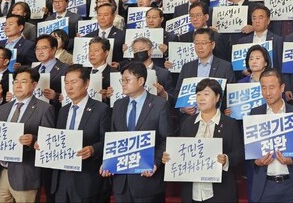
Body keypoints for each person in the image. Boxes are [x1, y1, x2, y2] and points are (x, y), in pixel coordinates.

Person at [0, 67, 56, 202]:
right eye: (16, 81)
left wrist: (33, 140)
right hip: (0, 173)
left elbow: (48, 142)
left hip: (25, 175)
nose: (18, 85)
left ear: (34, 85)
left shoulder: (45, 109)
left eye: (23, 82)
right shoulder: (2, 109)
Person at [162, 78, 244, 203]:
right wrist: (170, 157)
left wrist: (226, 159)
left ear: (217, 97)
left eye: (206, 94)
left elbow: (239, 154)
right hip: (192, 191)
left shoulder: (230, 124)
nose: (201, 98)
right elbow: (180, 151)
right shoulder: (187, 123)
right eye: (198, 94)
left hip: (220, 191)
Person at [43, 64, 111, 203]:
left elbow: (108, 142)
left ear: (86, 84)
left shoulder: (101, 109)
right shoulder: (63, 111)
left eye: (74, 82)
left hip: (86, 179)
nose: (69, 87)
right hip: (61, 179)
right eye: (66, 83)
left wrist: (93, 149)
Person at [105, 62, 171, 203]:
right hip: (121, 181)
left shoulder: (159, 105)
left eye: (127, 80)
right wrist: (108, 162)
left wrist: (155, 162)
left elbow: (167, 139)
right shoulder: (118, 105)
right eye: (122, 80)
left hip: (148, 180)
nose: (123, 83)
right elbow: (113, 136)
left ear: (141, 81)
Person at [248, 69, 293, 203]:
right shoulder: (255, 114)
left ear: (282, 88)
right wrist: (256, 161)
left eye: (272, 87)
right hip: (265, 185)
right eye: (263, 88)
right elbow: (248, 148)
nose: (267, 93)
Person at [173, 28, 236, 116]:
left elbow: (230, 93)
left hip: (217, 116)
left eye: (203, 43)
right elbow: (177, 92)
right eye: (197, 43)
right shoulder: (187, 67)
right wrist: (183, 108)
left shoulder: (225, 67)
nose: (200, 47)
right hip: (192, 118)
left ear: (213, 44)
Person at [33, 34, 68, 108]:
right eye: (37, 49)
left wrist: (56, 96)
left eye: (44, 48)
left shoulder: (65, 69)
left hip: (56, 112)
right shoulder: (32, 71)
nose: (40, 52)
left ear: (53, 49)